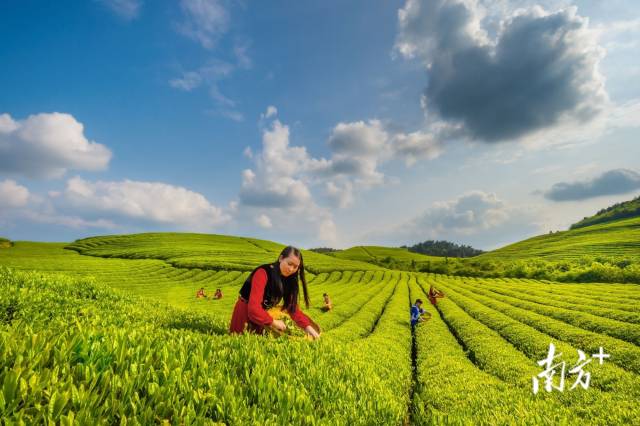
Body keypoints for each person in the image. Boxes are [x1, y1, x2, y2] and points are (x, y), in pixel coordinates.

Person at [229, 246, 321, 340]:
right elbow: (253, 308)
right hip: (244, 313)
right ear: (281, 258)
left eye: (295, 267)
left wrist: (308, 327)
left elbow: (292, 309)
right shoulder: (263, 272)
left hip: (263, 317)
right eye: (289, 264)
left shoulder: (288, 279)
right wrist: (274, 322)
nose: (291, 269)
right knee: (239, 341)